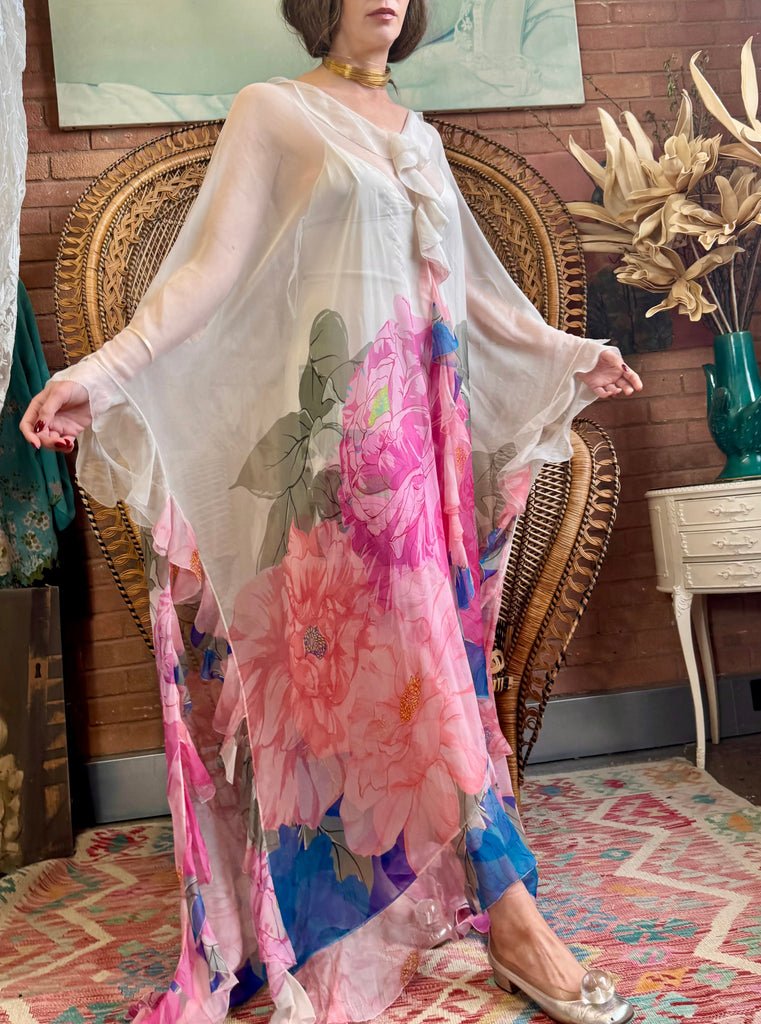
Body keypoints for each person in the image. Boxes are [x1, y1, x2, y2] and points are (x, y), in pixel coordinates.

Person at [21, 2, 642, 1023]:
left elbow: (462, 288)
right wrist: (106, 372)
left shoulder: (420, 135)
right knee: (414, 672)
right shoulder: (273, 110)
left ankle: (483, 909)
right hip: (343, 453)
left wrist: (568, 353)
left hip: (424, 448)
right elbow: (210, 275)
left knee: (429, 673)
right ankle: (514, 918)